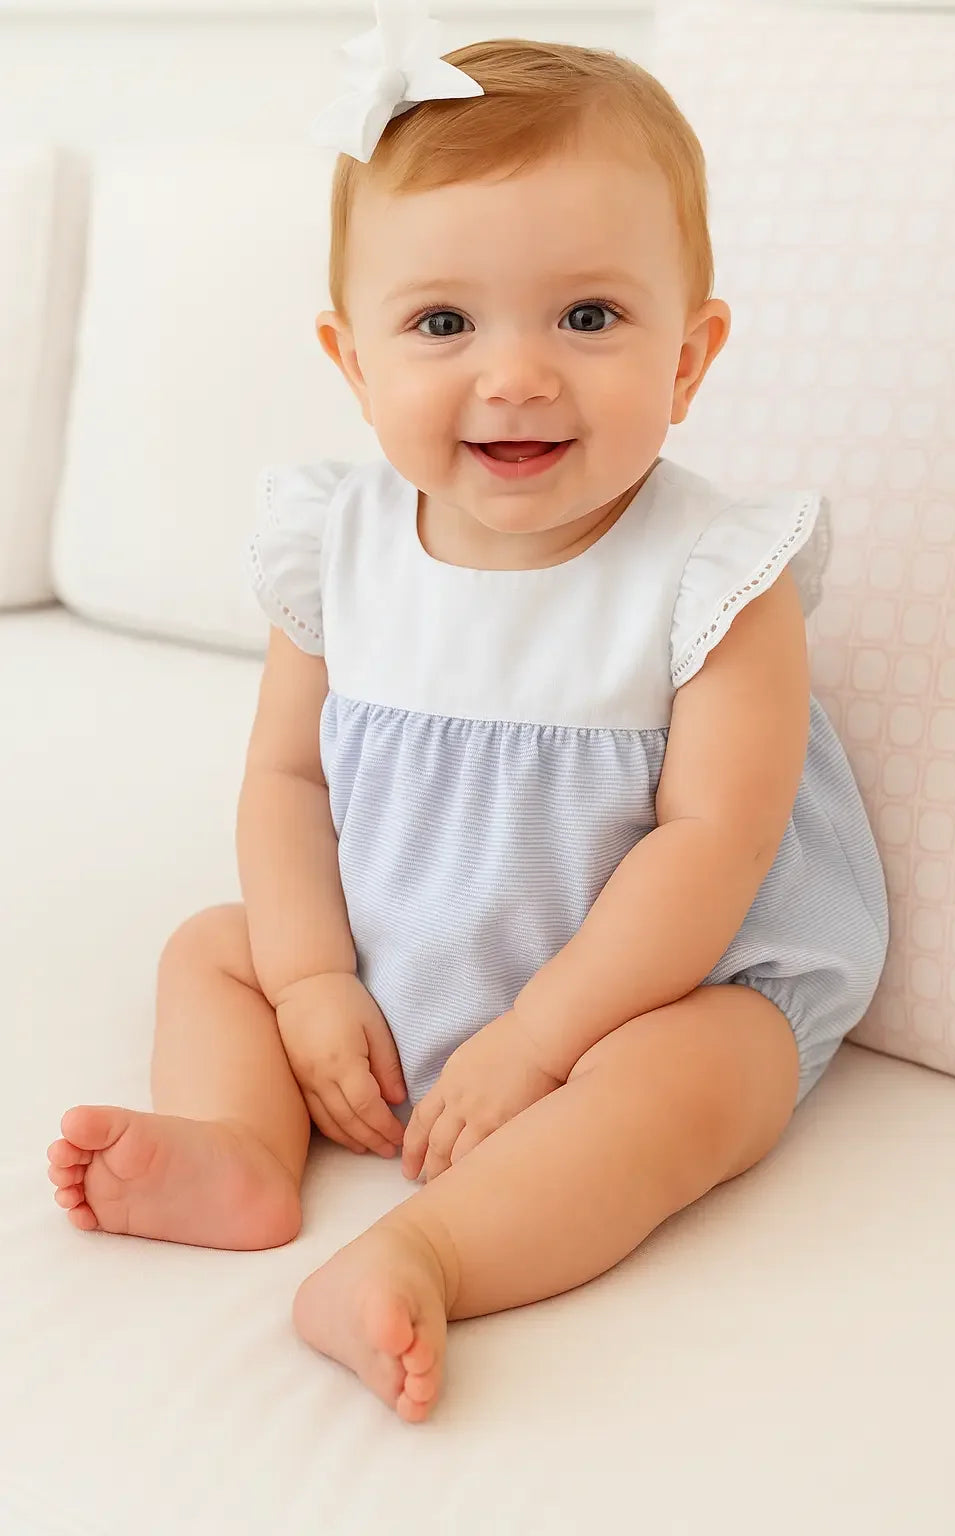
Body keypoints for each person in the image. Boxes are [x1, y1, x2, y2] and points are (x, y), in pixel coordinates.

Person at [46, 10, 889, 1425]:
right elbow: (287, 783)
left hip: (644, 987)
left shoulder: (717, 575)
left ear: (690, 356)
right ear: (352, 359)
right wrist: (311, 982)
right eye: (444, 323)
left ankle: (430, 1251)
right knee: (213, 949)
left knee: (708, 1076)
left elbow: (715, 846)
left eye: (588, 317)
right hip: (391, 961)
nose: (516, 375)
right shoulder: (334, 545)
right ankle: (240, 1147)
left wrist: (540, 1040)